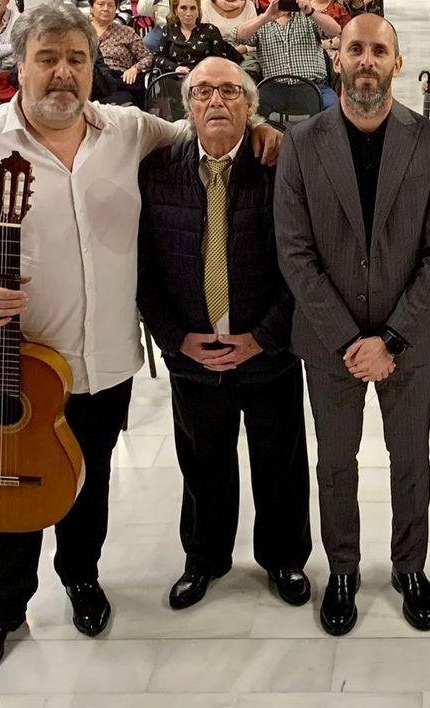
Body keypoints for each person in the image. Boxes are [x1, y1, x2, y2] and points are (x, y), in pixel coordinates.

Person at [0, 1, 280, 680]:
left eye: (76, 59)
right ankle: (2, 608)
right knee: (9, 487)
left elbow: (207, 122)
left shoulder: (129, 130)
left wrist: (262, 125)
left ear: (93, 66)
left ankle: (81, 578)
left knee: (89, 477)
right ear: (20, 66)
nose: (63, 74)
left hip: (101, 357)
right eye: (47, 59)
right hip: (12, 364)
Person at [273, 13, 430, 637]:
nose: (366, 61)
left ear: (398, 63)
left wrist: (393, 339)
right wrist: (353, 342)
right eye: (355, 49)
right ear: (338, 59)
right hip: (333, 346)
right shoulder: (303, 142)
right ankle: (345, 570)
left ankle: (410, 566)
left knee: (411, 459)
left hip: (409, 343)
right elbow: (294, 253)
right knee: (336, 463)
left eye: (379, 50)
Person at [137, 57, 312, 614]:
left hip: (269, 353)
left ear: (250, 106)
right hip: (194, 356)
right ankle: (204, 559)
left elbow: (303, 267)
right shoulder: (158, 170)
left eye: (231, 92)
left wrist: (263, 338)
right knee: (203, 464)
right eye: (203, 92)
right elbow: (142, 270)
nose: (217, 101)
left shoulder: (280, 168)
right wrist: (174, 339)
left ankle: (284, 558)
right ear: (186, 107)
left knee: (279, 463)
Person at [235, 0, 344, 109]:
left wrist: (311, 11)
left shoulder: (308, 16)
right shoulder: (262, 22)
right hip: (275, 89)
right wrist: (265, 17)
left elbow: (336, 30)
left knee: (334, 108)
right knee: (251, 111)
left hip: (314, 86)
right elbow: (240, 36)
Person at [153, 0, 243, 77]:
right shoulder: (169, 30)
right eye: (183, 8)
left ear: (198, 12)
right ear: (176, 11)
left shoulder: (210, 30)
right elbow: (158, 58)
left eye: (193, 8)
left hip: (205, 80)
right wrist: (176, 68)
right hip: (175, 79)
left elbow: (220, 60)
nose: (188, 13)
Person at [87, 0, 152, 104]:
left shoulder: (126, 32)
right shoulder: (80, 32)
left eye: (111, 5)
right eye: (101, 4)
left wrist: (134, 69)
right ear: (91, 7)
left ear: (116, 9)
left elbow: (147, 57)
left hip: (119, 82)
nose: (106, 9)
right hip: (89, 82)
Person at [202, 0, 260, 74]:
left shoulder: (249, 5)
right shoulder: (206, 5)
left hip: (243, 58)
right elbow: (203, 38)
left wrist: (240, 50)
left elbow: (255, 39)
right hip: (213, 58)